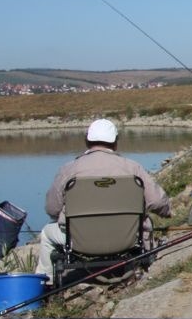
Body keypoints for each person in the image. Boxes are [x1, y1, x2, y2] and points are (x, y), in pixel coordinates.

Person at [36, 119, 171, 278]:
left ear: (87, 140)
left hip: (79, 241)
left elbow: (52, 208)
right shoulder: (132, 168)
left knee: (46, 233)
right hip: (129, 238)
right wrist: (167, 213)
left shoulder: (68, 170)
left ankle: (45, 284)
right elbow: (156, 201)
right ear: (115, 142)